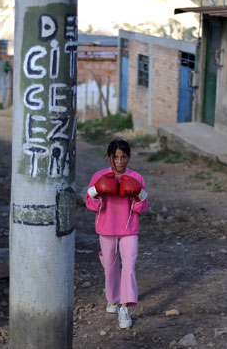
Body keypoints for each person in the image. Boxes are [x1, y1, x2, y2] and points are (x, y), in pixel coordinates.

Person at [85, 138, 148, 329]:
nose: (119, 162)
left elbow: (141, 208)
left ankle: (124, 308)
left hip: (129, 230)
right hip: (106, 229)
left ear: (128, 158)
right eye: (116, 157)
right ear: (108, 157)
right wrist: (98, 189)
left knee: (129, 265)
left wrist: (138, 193)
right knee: (110, 267)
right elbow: (90, 203)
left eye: (124, 157)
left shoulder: (136, 177)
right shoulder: (99, 175)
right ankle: (112, 299)